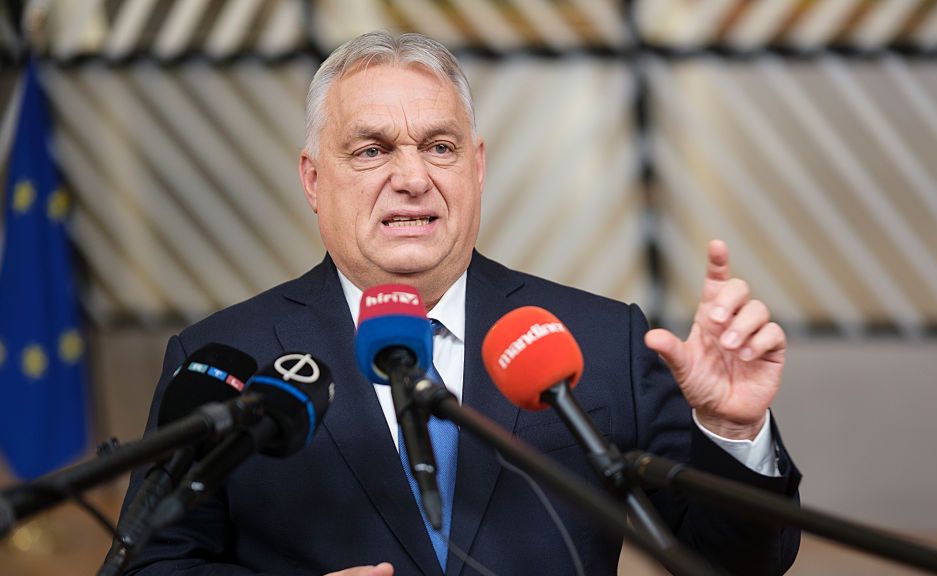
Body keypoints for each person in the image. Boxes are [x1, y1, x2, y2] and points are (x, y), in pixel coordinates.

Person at [121, 31, 801, 576]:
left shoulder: (599, 340)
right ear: (313, 178)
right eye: (370, 150)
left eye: (439, 147)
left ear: (476, 168)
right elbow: (153, 561)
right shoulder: (229, 357)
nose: (413, 178)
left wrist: (731, 433)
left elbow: (736, 564)